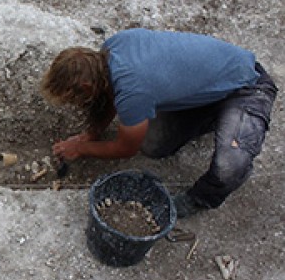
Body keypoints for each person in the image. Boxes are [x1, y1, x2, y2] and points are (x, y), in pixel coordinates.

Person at [40, 28, 278, 218]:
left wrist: (80, 149)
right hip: (207, 91)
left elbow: (126, 148)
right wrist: (89, 135)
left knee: (229, 165)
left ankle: (201, 198)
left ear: (86, 87)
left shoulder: (134, 90)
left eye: (75, 98)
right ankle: (215, 117)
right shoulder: (112, 49)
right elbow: (110, 96)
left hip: (248, 87)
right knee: (154, 144)